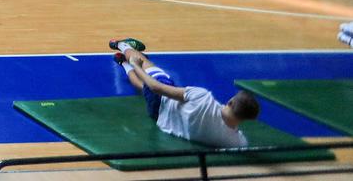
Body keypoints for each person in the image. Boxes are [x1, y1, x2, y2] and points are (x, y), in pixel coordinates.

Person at [110, 37, 256, 148]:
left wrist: (137, 65)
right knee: (144, 89)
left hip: (162, 99)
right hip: (159, 118)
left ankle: (122, 45)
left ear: (230, 102)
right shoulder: (237, 142)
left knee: (149, 69)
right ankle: (123, 63)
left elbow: (156, 87)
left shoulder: (202, 98)